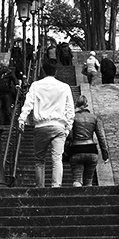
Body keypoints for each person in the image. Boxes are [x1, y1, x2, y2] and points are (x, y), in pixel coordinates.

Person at [18, 60, 74, 190]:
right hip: (58, 125)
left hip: (41, 126)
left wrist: (22, 119)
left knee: (39, 160)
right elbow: (70, 109)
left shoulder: (36, 85)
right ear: (56, 71)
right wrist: (68, 127)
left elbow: (28, 104)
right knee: (57, 159)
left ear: (43, 70)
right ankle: (56, 186)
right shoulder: (64, 87)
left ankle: (40, 187)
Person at [67, 95, 109, 187]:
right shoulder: (94, 118)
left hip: (76, 150)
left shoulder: (73, 118)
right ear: (86, 105)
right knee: (88, 180)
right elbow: (101, 138)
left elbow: (69, 136)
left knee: (77, 179)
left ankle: (77, 191)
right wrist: (105, 155)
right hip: (91, 150)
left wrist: (66, 152)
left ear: (76, 104)